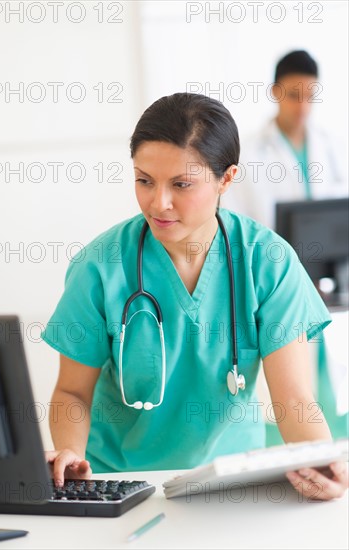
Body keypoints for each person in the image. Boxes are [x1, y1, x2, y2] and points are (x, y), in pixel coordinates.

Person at [42, 92, 348, 501]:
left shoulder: (268, 261)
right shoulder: (100, 265)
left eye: (181, 184)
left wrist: (319, 463)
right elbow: (72, 393)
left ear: (226, 178)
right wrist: (70, 453)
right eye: (144, 180)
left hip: (230, 481)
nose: (159, 202)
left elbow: (294, 399)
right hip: (120, 483)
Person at [222, 50, 347, 228]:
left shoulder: (332, 146)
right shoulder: (246, 152)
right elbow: (234, 220)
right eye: (294, 96)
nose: (303, 107)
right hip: (268, 253)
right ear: (275, 91)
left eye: (309, 97)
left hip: (327, 254)